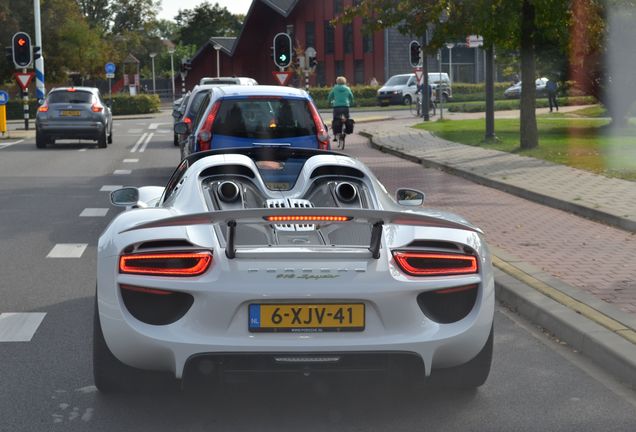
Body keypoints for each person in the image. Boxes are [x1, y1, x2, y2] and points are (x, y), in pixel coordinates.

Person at [328, 76, 354, 140]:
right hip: (345, 107)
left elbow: (329, 97)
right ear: (344, 81)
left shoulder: (335, 88)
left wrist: (329, 103)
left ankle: (336, 134)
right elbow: (351, 97)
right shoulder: (347, 88)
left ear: (337, 81)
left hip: (336, 107)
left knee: (336, 119)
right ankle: (346, 131)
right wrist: (351, 103)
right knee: (346, 119)